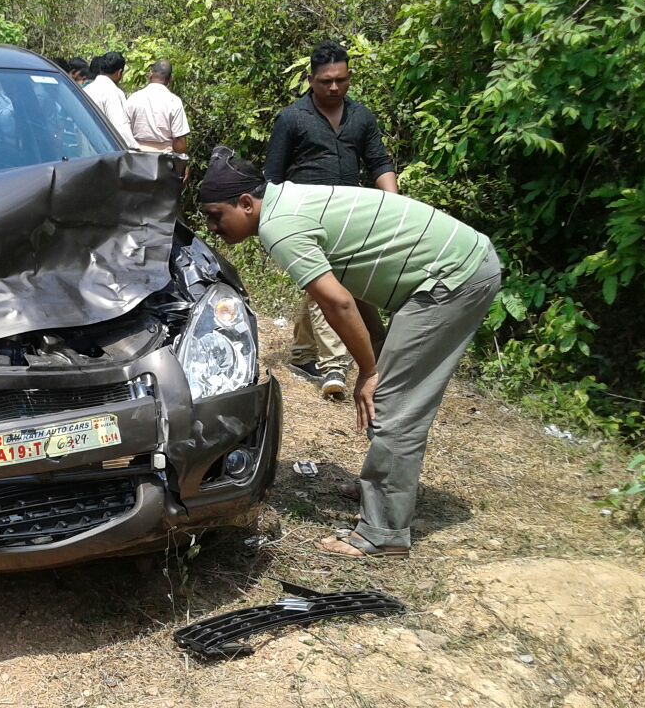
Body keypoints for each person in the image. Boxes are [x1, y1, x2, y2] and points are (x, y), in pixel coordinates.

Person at [198, 149, 500, 559]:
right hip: (452, 265)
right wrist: (374, 350)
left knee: (394, 402)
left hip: (452, 278)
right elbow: (354, 272)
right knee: (388, 389)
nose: (214, 227)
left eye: (216, 215)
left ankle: (383, 532)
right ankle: (382, 485)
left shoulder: (279, 227)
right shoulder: (291, 199)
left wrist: (371, 370)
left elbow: (337, 302)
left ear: (247, 204)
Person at [265, 41, 398, 400]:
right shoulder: (292, 118)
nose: (334, 87)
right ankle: (334, 365)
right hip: (305, 217)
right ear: (310, 80)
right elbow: (273, 175)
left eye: (340, 80)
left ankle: (303, 353)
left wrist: (394, 204)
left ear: (349, 77)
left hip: (351, 216)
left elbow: (379, 163)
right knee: (329, 283)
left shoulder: (361, 117)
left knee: (321, 286)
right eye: (325, 81)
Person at [126, 59, 190, 154]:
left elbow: (124, 131)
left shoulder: (134, 98)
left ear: (150, 74)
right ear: (170, 79)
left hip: (136, 159)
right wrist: (183, 165)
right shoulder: (174, 101)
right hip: (164, 162)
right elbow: (179, 140)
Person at [82, 51, 137, 149]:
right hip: (106, 151)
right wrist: (135, 148)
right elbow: (120, 127)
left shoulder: (86, 90)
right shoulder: (113, 92)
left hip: (86, 149)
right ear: (119, 73)